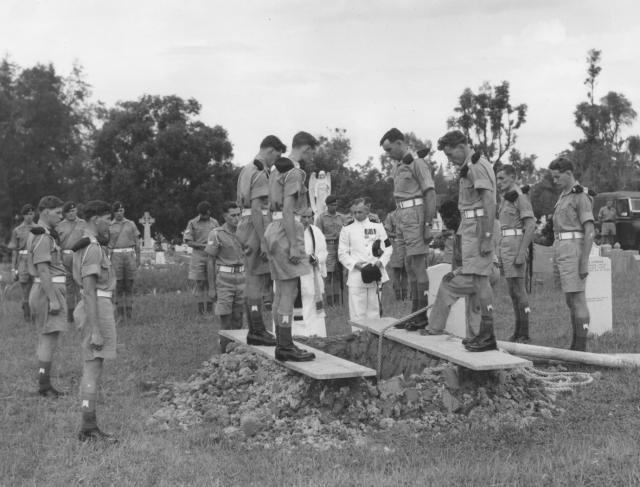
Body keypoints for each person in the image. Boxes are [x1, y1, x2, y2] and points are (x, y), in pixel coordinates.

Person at [435, 130, 497, 352]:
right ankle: (484, 333)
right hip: (472, 226)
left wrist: (487, 237)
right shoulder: (470, 166)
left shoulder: (476, 166)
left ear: (462, 146)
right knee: (478, 280)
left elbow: (489, 202)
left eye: (451, 154)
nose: (450, 160)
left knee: (481, 280)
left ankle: (488, 335)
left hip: (480, 226)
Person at [265, 136, 317, 362]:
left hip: (274, 229)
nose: (311, 157)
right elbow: (288, 210)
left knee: (281, 291)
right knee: (289, 291)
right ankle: (285, 345)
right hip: (287, 230)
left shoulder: (277, 169)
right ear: (305, 148)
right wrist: (295, 246)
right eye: (311, 152)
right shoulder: (294, 172)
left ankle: (282, 342)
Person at [71, 200, 118, 443]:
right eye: (108, 218)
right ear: (95, 219)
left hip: (97, 304)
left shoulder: (87, 245)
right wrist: (96, 330)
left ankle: (89, 426)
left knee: (94, 365)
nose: (110, 223)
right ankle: (88, 428)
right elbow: (89, 290)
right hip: (96, 307)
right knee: (93, 366)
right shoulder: (92, 248)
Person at [380, 128, 436, 331]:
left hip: (415, 214)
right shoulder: (400, 165)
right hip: (401, 216)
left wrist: (428, 224)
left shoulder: (417, 163)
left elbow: (430, 194)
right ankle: (414, 313)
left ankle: (422, 316)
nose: (388, 154)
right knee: (410, 266)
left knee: (418, 266)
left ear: (399, 143)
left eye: (389, 149)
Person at [422, 201, 500, 340]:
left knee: (447, 286)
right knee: (475, 304)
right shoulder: (461, 229)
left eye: (447, 218)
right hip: (486, 270)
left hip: (484, 270)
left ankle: (434, 328)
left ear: (456, 215)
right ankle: (475, 337)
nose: (445, 222)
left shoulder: (465, 231)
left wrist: (454, 273)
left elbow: (473, 260)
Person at [236, 135, 287, 346]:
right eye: (277, 155)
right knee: (255, 281)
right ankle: (256, 329)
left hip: (246, 224)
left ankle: (255, 329)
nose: (276, 160)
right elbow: (257, 209)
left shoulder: (246, 169)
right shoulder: (258, 172)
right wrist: (264, 241)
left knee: (252, 279)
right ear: (269, 150)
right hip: (255, 227)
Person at [549, 157, 595, 351]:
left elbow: (590, 231)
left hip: (573, 248)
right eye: (553, 177)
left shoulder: (580, 196)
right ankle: (575, 344)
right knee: (570, 299)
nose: (555, 180)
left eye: (557, 176)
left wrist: (584, 262)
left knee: (577, 298)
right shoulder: (563, 195)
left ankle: (580, 349)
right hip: (561, 246)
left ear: (569, 173)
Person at [26, 196, 67, 397]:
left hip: (44, 288)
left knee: (46, 338)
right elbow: (43, 270)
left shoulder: (40, 234)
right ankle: (44, 386)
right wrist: (53, 299)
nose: (61, 216)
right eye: (57, 212)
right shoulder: (43, 236)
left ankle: (45, 384)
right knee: (49, 339)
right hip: (48, 289)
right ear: (45, 211)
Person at [496, 166, 536, 343]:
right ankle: (518, 330)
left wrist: (521, 253)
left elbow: (530, 225)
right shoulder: (506, 198)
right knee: (512, 291)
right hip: (506, 245)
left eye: (503, 178)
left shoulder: (519, 197)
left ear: (513, 177)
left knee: (519, 291)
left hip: (516, 245)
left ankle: (525, 333)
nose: (499, 182)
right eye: (497, 179)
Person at [338, 198, 391, 325]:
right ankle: (358, 340)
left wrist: (380, 262)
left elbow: (387, 248)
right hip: (357, 275)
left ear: (367, 211)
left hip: (375, 273)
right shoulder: (347, 228)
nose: (357, 215)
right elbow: (342, 253)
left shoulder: (377, 226)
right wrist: (355, 265)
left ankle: (374, 341)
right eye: (354, 212)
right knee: (357, 314)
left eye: (360, 212)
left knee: (374, 312)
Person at [205, 202, 246, 353]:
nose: (237, 218)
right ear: (224, 216)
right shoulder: (216, 234)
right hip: (224, 279)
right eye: (233, 215)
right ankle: (223, 353)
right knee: (225, 319)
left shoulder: (244, 232)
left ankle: (235, 352)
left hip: (242, 278)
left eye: (238, 214)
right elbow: (210, 260)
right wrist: (211, 287)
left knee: (238, 318)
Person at [293, 207, 328, 337]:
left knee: (312, 306)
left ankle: (315, 335)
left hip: (311, 276)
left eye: (309, 217)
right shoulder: (289, 231)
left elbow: (323, 252)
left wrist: (316, 259)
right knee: (296, 308)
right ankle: (297, 337)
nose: (307, 220)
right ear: (297, 216)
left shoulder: (316, 231)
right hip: (294, 277)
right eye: (304, 217)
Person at [184, 201, 219, 314]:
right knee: (200, 283)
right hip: (198, 255)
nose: (205, 216)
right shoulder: (192, 223)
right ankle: (200, 310)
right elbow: (189, 241)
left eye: (207, 213)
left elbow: (220, 237)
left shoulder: (215, 223)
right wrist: (204, 245)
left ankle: (209, 309)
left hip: (212, 256)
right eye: (203, 214)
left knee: (211, 281)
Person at [108, 202, 140, 322]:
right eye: (117, 211)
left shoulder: (130, 224)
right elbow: (107, 244)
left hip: (129, 255)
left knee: (129, 285)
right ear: (113, 212)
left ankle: (129, 312)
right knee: (118, 285)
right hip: (116, 256)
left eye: (121, 210)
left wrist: (138, 257)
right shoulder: (110, 226)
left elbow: (136, 241)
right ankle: (120, 314)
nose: (119, 213)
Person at [56, 201, 87, 323]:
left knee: (81, 285)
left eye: (73, 211)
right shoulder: (60, 225)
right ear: (65, 213)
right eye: (68, 212)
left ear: (77, 211)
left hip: (80, 256)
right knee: (68, 287)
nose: (71, 214)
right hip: (65, 257)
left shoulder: (83, 223)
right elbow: (57, 243)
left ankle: (81, 313)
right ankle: (70, 315)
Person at [315, 194, 346, 306]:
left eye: (336, 204)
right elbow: (318, 235)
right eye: (332, 205)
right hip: (327, 247)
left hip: (339, 247)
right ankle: (329, 301)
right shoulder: (321, 218)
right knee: (328, 275)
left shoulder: (341, 217)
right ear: (327, 205)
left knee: (338, 274)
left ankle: (337, 302)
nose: (335, 207)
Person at [8, 204, 36, 321]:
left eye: (31, 214)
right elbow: (14, 251)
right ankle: (27, 315)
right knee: (25, 288)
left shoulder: (39, 228)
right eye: (27, 214)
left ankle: (35, 312)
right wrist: (13, 269)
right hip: (22, 261)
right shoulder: (17, 230)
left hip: (35, 260)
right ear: (23, 216)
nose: (29, 216)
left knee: (36, 287)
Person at [383, 208, 408, 301]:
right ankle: (398, 297)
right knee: (397, 272)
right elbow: (386, 231)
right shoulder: (391, 215)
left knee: (406, 272)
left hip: (407, 245)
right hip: (396, 245)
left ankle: (404, 296)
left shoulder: (409, 214)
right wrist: (397, 236)